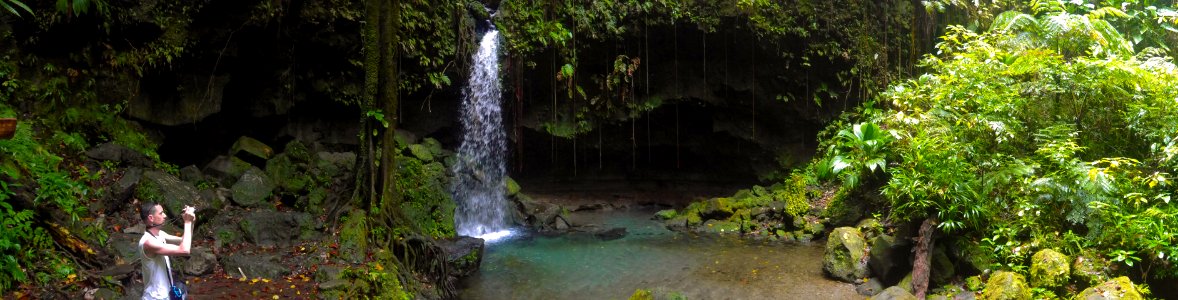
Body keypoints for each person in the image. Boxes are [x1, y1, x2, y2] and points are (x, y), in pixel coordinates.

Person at [137, 202, 195, 300]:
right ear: (151, 218)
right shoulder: (148, 242)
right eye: (161, 213)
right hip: (155, 297)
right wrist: (187, 222)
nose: (165, 216)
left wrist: (191, 221)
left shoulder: (160, 234)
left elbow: (185, 240)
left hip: (166, 295)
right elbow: (184, 250)